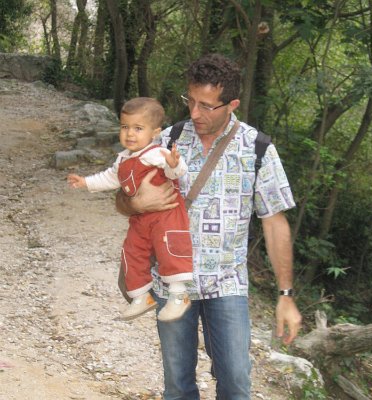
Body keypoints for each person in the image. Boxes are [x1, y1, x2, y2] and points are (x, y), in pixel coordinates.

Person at [116, 54, 302, 399]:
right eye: (190, 101)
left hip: (226, 283)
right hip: (172, 284)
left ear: (231, 105)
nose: (195, 113)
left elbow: (275, 223)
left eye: (206, 106)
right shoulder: (166, 140)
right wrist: (136, 204)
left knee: (236, 383)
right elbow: (123, 197)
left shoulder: (258, 149)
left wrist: (285, 295)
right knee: (178, 386)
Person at [67, 97, 193, 322]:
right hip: (141, 218)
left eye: (138, 128)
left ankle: (178, 295)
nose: (130, 134)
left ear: (155, 132)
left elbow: (175, 171)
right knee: (132, 252)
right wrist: (86, 182)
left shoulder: (156, 153)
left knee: (169, 250)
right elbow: (110, 178)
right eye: (125, 127)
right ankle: (140, 295)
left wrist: (174, 164)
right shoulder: (123, 158)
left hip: (166, 216)